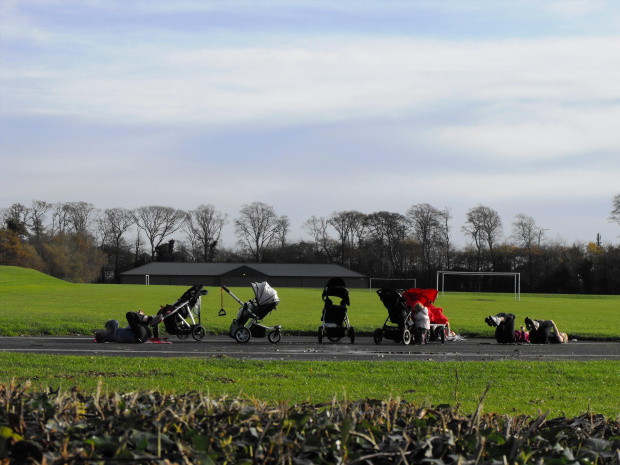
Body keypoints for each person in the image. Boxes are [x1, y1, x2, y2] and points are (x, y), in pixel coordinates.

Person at [95, 310, 162, 343]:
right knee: (129, 314)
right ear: (102, 336)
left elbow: (116, 325)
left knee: (137, 317)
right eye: (102, 332)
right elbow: (114, 322)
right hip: (139, 335)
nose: (103, 330)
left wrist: (138, 316)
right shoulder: (110, 337)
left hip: (142, 333)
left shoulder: (115, 334)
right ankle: (151, 319)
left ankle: (152, 322)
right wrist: (108, 328)